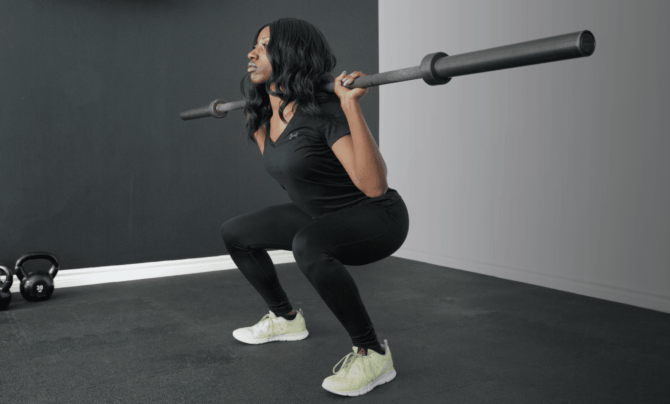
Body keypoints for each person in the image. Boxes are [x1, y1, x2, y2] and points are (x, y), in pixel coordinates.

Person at [220, 17, 410, 397]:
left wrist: (349, 105)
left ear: (292, 54)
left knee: (308, 243)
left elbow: (373, 186)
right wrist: (265, 102)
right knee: (236, 233)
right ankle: (286, 319)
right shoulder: (263, 115)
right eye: (254, 44)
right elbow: (289, 174)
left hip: (377, 216)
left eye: (265, 45)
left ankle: (373, 353)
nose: (251, 52)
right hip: (320, 215)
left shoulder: (324, 111)